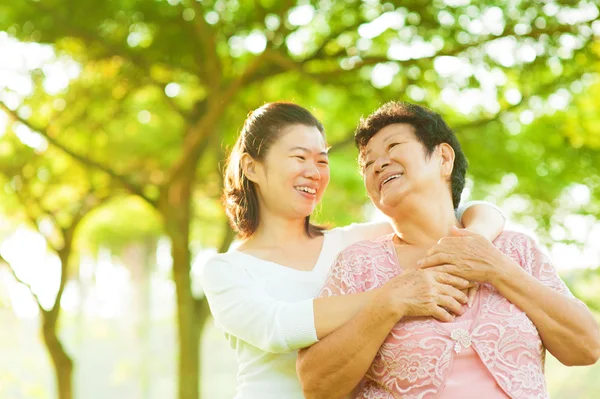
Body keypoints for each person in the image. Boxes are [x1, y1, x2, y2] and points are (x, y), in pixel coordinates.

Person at [200, 102, 505, 399]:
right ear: (252, 167)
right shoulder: (226, 270)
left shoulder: (355, 243)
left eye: (322, 161)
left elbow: (456, 212)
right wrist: (393, 297)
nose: (314, 172)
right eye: (299, 157)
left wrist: (474, 239)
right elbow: (277, 328)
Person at [296, 101, 600, 399]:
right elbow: (317, 386)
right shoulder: (357, 264)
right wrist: (390, 303)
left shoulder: (514, 249)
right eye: (368, 163)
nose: (379, 164)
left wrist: (497, 268)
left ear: (443, 158)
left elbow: (587, 347)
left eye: (392, 147)